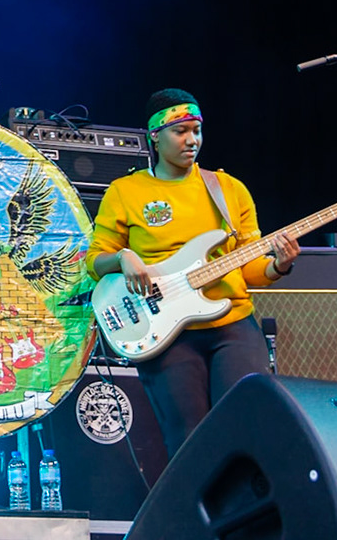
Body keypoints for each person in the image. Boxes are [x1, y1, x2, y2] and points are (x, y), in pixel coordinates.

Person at [86, 90, 299, 458]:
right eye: (181, 131)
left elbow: (248, 268)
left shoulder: (228, 189)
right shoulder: (125, 192)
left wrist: (278, 265)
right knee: (190, 441)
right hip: (166, 332)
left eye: (197, 131)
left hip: (232, 324)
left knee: (247, 426)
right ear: (155, 136)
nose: (192, 140)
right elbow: (94, 261)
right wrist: (122, 257)